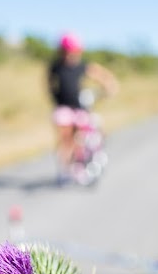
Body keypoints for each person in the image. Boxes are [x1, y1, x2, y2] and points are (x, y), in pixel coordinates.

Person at [47, 33, 118, 180]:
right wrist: (54, 98)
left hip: (79, 107)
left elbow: (101, 75)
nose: (70, 55)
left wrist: (109, 85)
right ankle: (65, 169)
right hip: (63, 107)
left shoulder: (82, 66)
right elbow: (49, 84)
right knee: (66, 138)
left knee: (84, 134)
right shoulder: (56, 66)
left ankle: (80, 165)